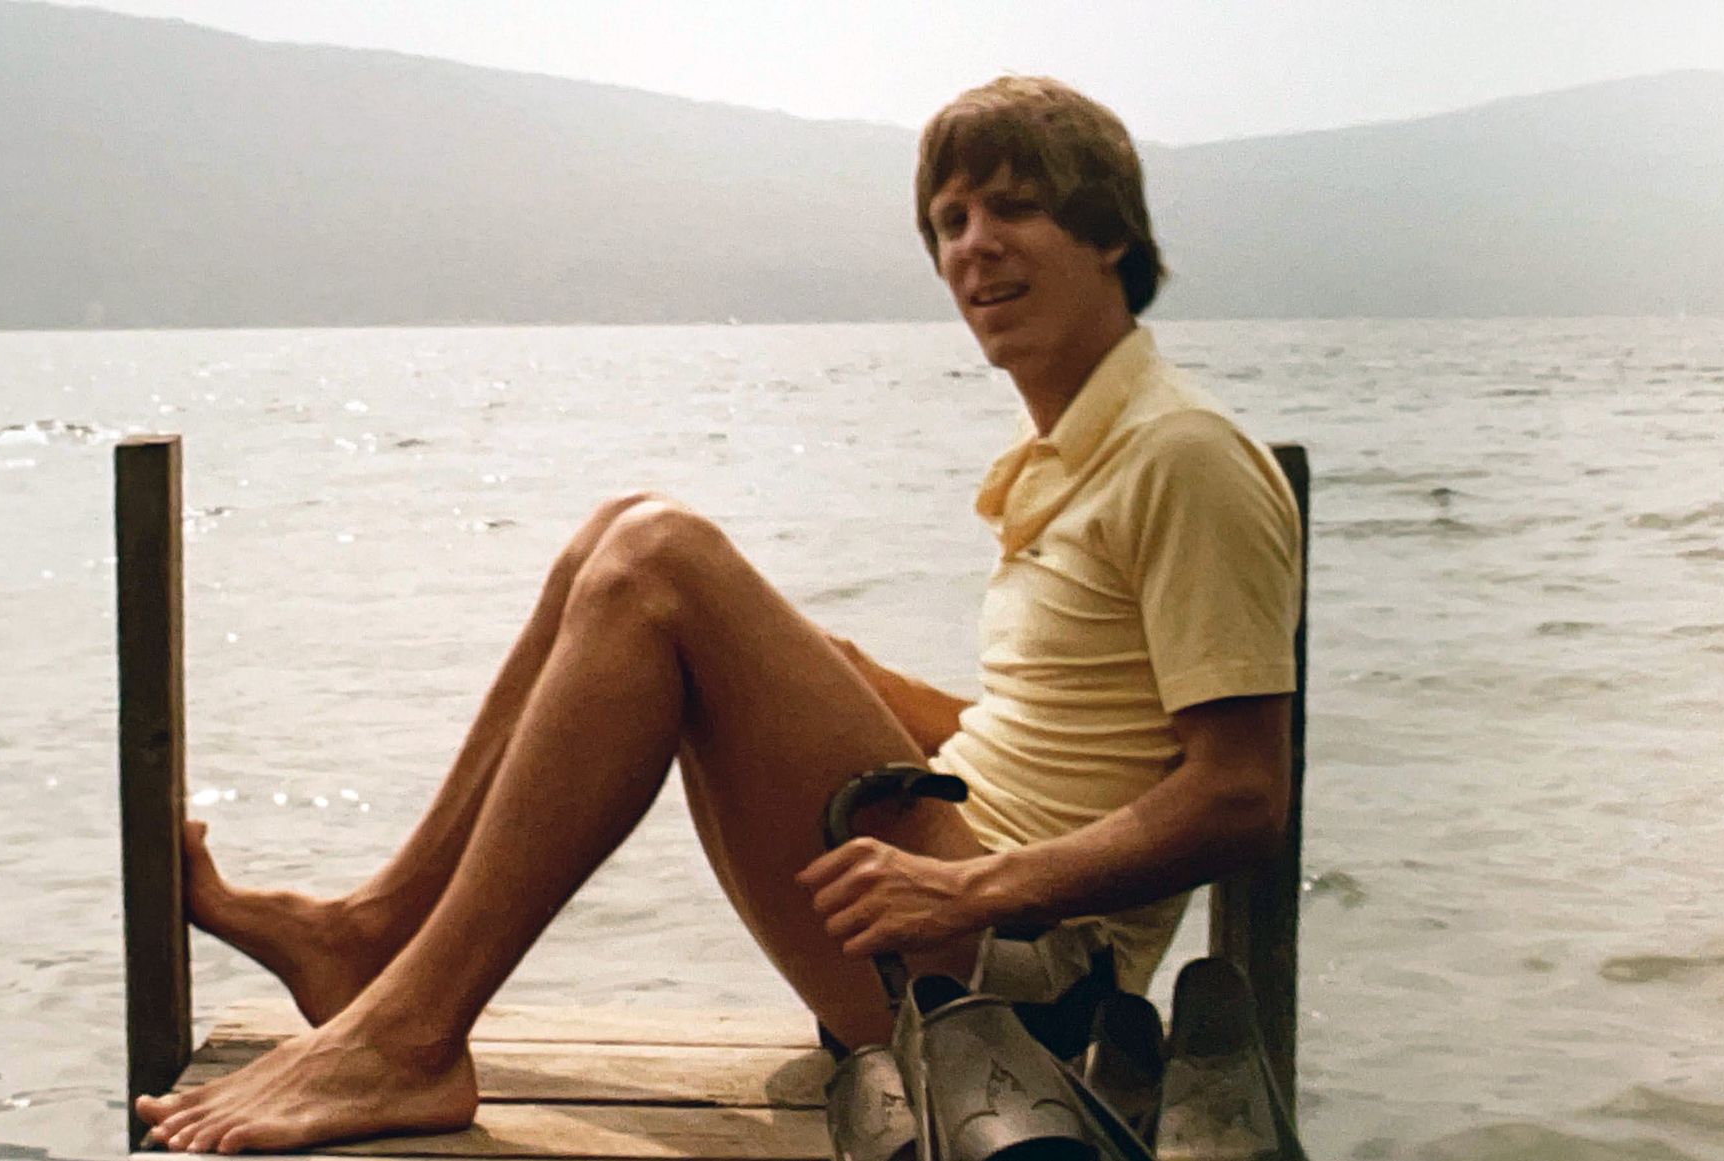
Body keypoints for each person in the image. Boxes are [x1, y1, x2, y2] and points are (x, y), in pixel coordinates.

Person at [134, 75, 1301, 1155]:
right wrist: (840, 678)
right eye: (950, 221)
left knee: (659, 559)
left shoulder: (1183, 457)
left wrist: (968, 889)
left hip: (1019, 989)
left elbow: (1242, 793)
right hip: (953, 907)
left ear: (1111, 235)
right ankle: (379, 934)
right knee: (616, 533)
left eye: (1015, 209)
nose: (974, 246)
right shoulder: (1078, 456)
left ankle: (410, 1038)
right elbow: (1078, 737)